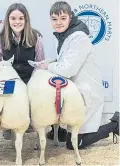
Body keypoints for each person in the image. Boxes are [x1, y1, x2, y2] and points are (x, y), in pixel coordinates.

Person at [41, 1, 119, 149]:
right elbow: (64, 59)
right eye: (54, 19)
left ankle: (114, 125)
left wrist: (47, 66)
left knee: (74, 144)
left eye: (63, 18)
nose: (58, 23)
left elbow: (68, 69)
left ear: (70, 17)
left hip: (87, 94)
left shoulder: (79, 37)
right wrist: (49, 62)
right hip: (74, 93)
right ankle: (63, 131)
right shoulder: (64, 35)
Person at [0, 3, 45, 139]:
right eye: (13, 18)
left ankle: (32, 121)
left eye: (21, 18)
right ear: (8, 20)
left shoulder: (36, 37)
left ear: (26, 19)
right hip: (9, 81)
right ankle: (7, 124)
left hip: (29, 79)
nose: (17, 22)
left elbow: (40, 63)